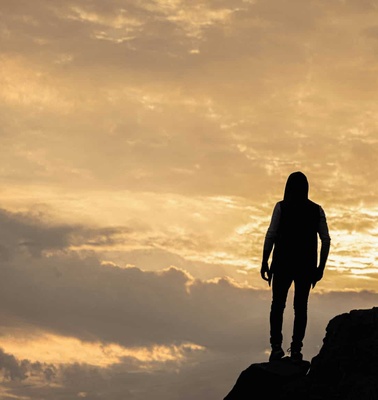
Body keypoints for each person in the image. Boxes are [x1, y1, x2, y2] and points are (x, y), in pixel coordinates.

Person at [260, 171, 331, 362]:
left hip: (282, 263)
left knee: (277, 305)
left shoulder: (281, 207)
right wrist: (320, 267)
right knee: (300, 307)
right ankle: (297, 350)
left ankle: (276, 347)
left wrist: (264, 261)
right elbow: (325, 240)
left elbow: (271, 234)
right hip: (306, 266)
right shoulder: (317, 210)